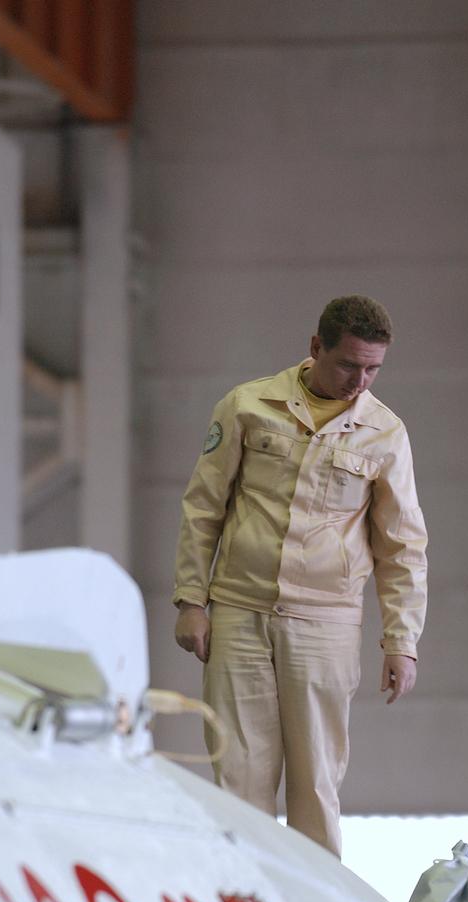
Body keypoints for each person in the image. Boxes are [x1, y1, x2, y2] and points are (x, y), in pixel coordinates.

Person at [173, 295, 427, 856]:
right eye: (348, 364)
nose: (359, 379)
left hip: (325, 622)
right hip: (239, 612)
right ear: (316, 348)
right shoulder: (247, 406)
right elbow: (204, 506)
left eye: (373, 368)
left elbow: (402, 546)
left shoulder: (385, 435)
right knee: (238, 775)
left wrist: (401, 641)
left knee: (316, 781)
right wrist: (192, 598)